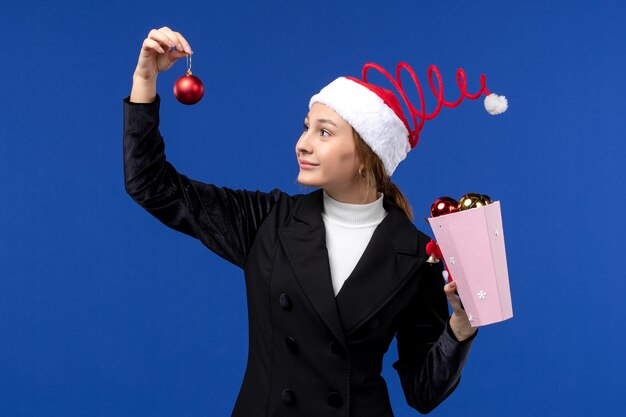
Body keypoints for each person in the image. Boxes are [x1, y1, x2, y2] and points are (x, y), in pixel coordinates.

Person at [123, 26, 478, 417]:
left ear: (366, 156)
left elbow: (422, 392)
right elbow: (150, 185)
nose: (303, 143)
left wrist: (461, 325)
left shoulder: (415, 256)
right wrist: (145, 80)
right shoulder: (269, 222)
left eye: (323, 132)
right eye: (305, 126)